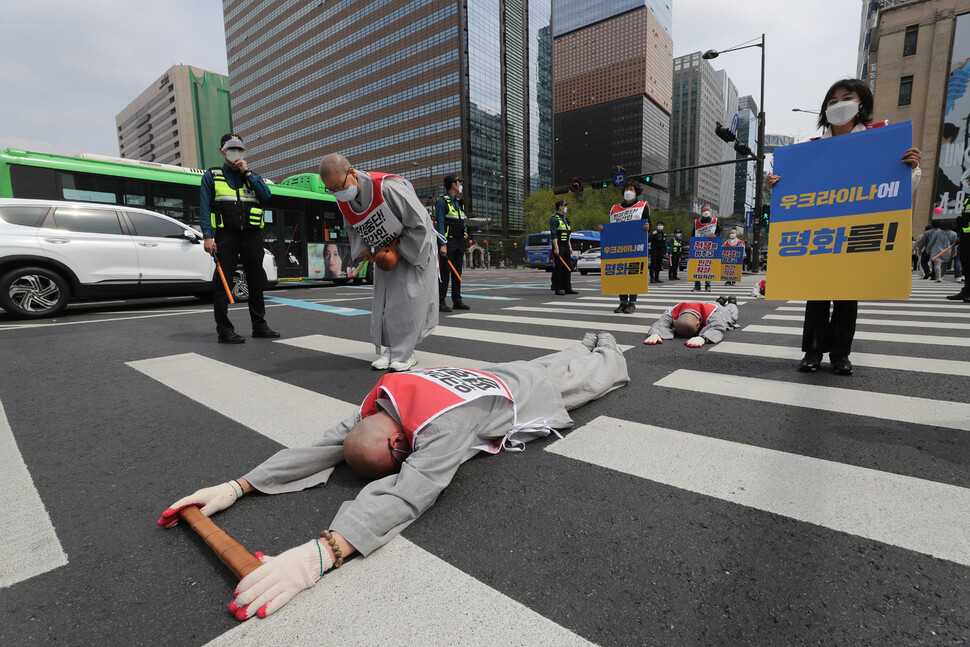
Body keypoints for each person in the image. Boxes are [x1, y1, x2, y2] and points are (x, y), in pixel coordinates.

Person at [157, 332, 630, 621]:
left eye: (395, 459)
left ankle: (604, 343)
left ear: (399, 445)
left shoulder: (443, 429)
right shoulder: (384, 398)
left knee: (599, 375)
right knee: (555, 358)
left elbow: (413, 490)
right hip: (500, 373)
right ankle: (585, 342)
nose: (404, 460)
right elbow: (321, 448)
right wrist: (238, 485)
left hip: (532, 394)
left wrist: (325, 552)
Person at [766, 78, 922, 375]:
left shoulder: (882, 141)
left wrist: (911, 168)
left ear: (861, 103)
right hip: (820, 233)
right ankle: (812, 353)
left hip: (857, 230)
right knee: (817, 297)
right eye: (832, 100)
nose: (839, 105)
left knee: (847, 298)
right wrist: (774, 184)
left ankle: (840, 355)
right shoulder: (809, 151)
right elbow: (789, 195)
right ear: (825, 109)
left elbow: (903, 188)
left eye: (846, 97)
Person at [318, 154, 438, 372]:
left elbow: (421, 223)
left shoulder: (387, 187)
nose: (337, 193)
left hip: (410, 251)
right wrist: (364, 249)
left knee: (408, 303)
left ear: (352, 173)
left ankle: (406, 353)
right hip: (384, 253)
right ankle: (392, 350)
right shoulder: (343, 199)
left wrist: (398, 251)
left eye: (338, 186)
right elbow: (352, 227)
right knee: (386, 304)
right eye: (331, 189)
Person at [200, 133, 279, 344]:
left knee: (256, 282)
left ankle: (259, 326)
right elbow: (205, 208)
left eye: (240, 149)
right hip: (226, 236)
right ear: (222, 151)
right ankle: (225, 330)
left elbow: (266, 196)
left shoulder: (252, 176)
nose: (236, 152)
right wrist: (208, 236)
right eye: (231, 148)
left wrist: (247, 172)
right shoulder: (212, 176)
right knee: (222, 283)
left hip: (252, 236)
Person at [600, 180, 650, 312]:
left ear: (637, 192)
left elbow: (647, 225)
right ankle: (622, 302)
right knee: (621, 275)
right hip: (619, 247)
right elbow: (611, 228)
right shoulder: (615, 208)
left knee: (633, 274)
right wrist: (603, 230)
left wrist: (647, 227)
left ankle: (632, 303)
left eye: (632, 189)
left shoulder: (642, 206)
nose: (629, 191)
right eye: (627, 189)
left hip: (635, 247)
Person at [642, 296, 739, 347]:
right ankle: (720, 300)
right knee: (718, 304)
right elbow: (662, 322)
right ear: (674, 321)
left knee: (731, 315)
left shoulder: (715, 313)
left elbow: (718, 326)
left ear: (698, 325)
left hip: (716, 307)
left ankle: (731, 302)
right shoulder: (673, 311)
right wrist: (655, 333)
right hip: (700, 306)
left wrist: (704, 338)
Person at [435, 174, 469, 312]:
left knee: (457, 272)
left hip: (459, 242)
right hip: (448, 242)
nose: (460, 184)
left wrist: (465, 231)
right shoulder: (442, 201)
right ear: (453, 185)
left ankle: (457, 300)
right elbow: (440, 223)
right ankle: (440, 301)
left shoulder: (457, 202)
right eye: (458, 182)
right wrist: (442, 244)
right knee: (445, 272)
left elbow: (461, 220)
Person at [551, 200, 577, 296]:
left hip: (566, 245)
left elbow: (568, 234)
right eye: (564, 205)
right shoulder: (554, 219)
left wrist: (570, 247)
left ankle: (567, 288)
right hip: (559, 245)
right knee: (559, 267)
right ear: (559, 207)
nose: (565, 207)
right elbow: (553, 235)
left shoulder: (565, 219)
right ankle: (558, 288)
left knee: (568, 267)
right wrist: (556, 248)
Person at [691, 205, 719, 292]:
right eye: (704, 210)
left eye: (707, 210)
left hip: (710, 248)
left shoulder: (715, 221)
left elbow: (719, 232)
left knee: (708, 266)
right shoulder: (696, 222)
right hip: (699, 248)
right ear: (701, 212)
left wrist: (715, 236)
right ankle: (697, 286)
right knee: (697, 267)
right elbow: (692, 235)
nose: (706, 211)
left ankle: (708, 286)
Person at [948, 202, 970, 301]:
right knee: (966, 265)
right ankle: (966, 291)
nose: (968, 185)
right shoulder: (967, 200)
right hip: (966, 236)